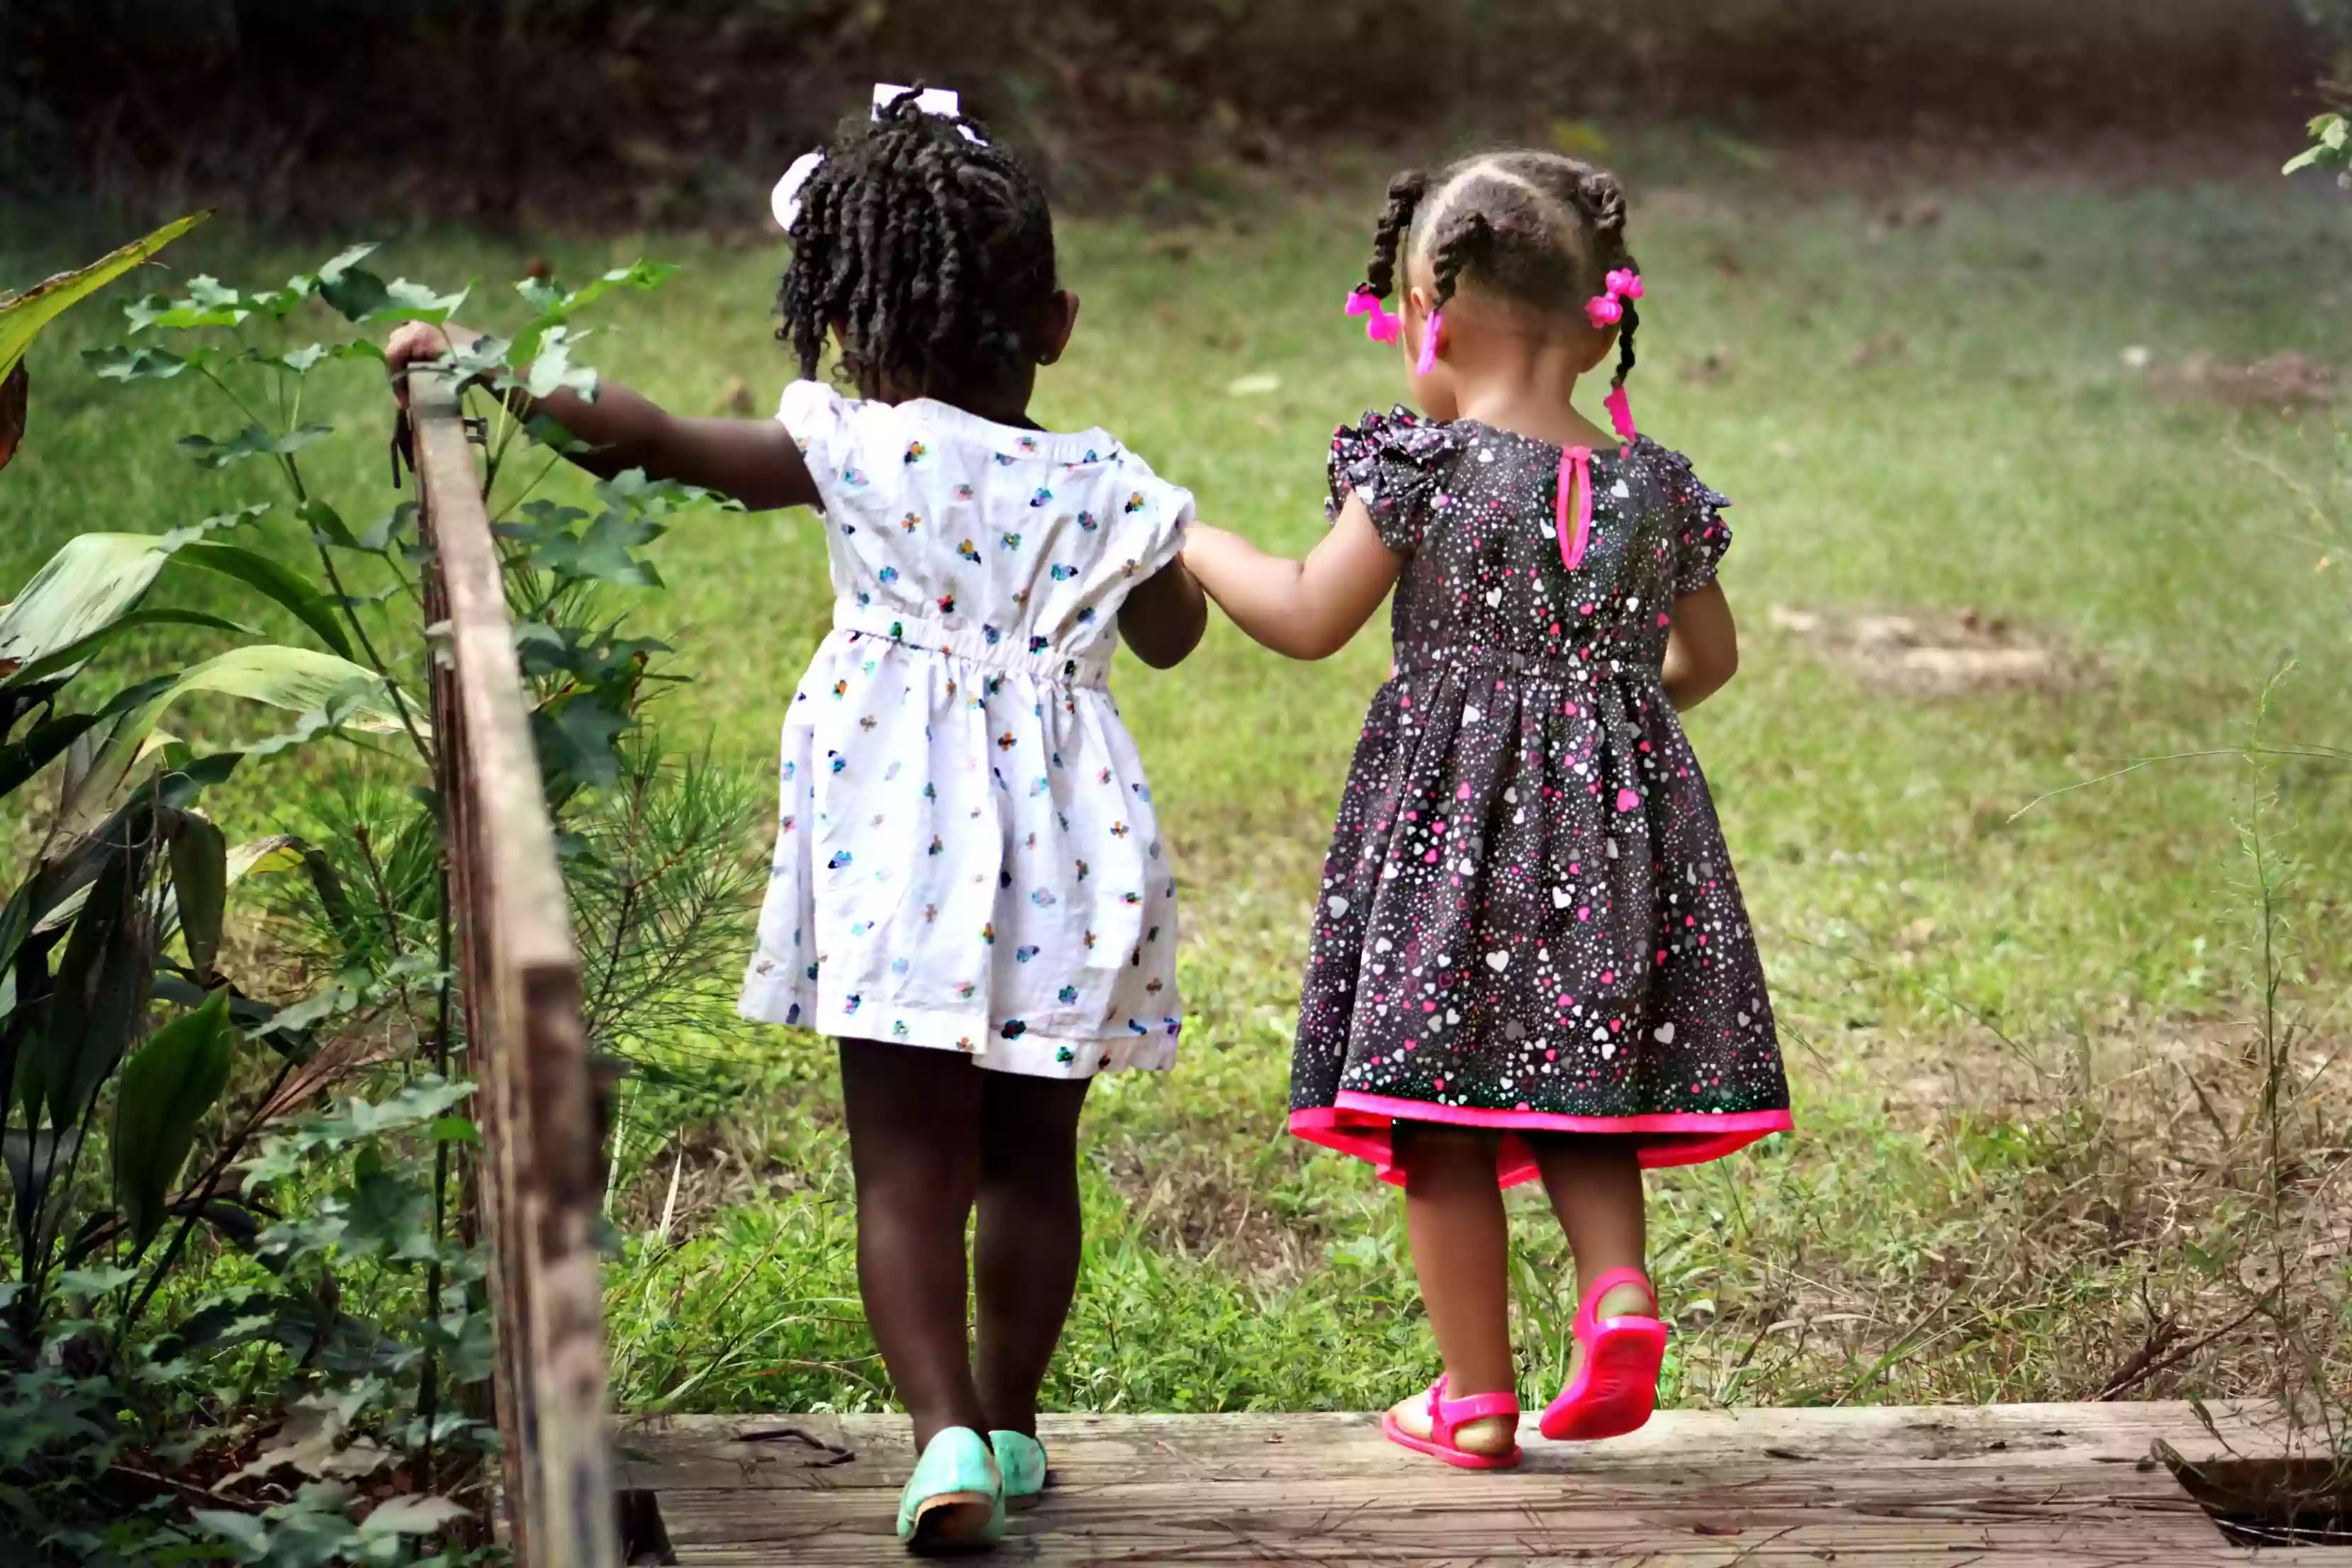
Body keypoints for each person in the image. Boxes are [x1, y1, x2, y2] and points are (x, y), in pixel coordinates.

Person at [387, 86, 1206, 1550]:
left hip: (897, 845)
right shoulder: (1104, 482)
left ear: (838, 316)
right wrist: (1117, 556)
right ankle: (1016, 1425)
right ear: (1059, 322)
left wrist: (488, 369)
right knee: (1035, 1158)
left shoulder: (849, 446)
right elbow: (1172, 637)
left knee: (906, 1165)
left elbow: (642, 438)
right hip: (1073, 862)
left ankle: (943, 1432)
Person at [1180, 151, 1791, 1468]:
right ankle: (1616, 1293)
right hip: (1615, 842)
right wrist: (1609, 735)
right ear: (1598, 319)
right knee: (1586, 1083)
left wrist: (1187, 537)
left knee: (1441, 1115)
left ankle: (1473, 1396)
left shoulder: (1422, 470)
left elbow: (1302, 615)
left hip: (1450, 850)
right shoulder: (1659, 488)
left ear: (1429, 318)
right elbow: (1708, 661)